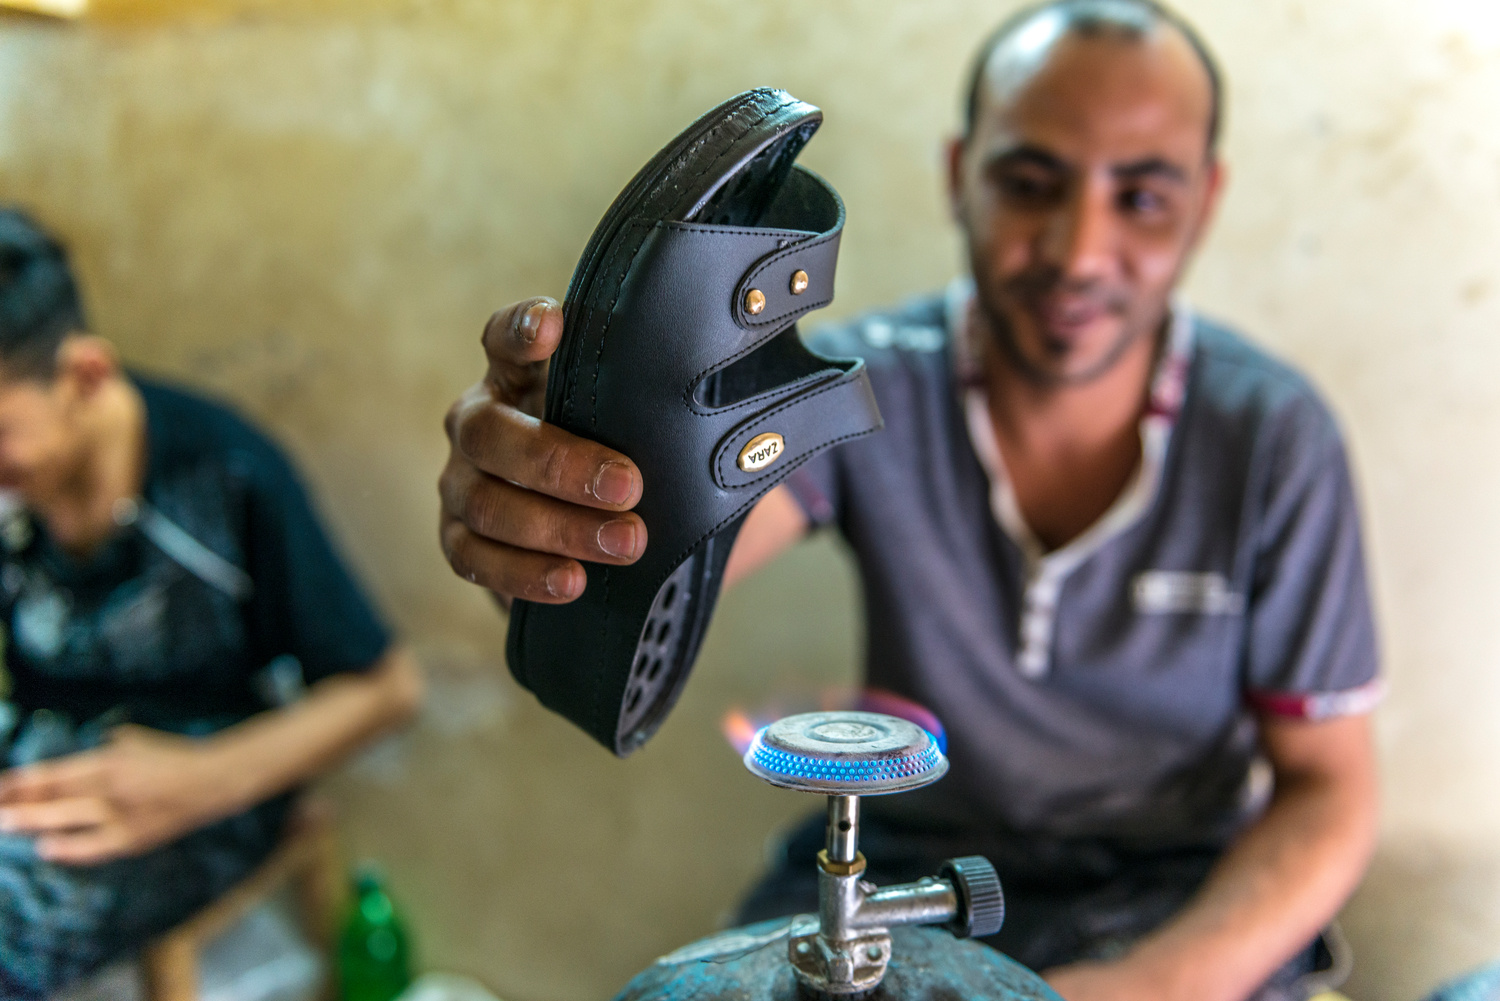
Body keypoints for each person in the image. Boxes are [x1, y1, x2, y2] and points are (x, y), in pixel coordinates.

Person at [437, 2, 1381, 998]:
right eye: (1029, 183)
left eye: (1141, 198)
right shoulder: (866, 386)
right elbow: (654, 549)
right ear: (957, 173)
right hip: (903, 862)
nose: (1078, 250)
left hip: (1169, 896)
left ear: (1207, 198)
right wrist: (556, 520)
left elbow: (1328, 787)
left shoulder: (1273, 435)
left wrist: (1143, 987)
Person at [0, 209, 424, 999]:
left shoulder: (224, 473)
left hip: (208, 770)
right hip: (46, 760)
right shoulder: (15, 490)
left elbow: (389, 687)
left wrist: (200, 779)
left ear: (86, 375)